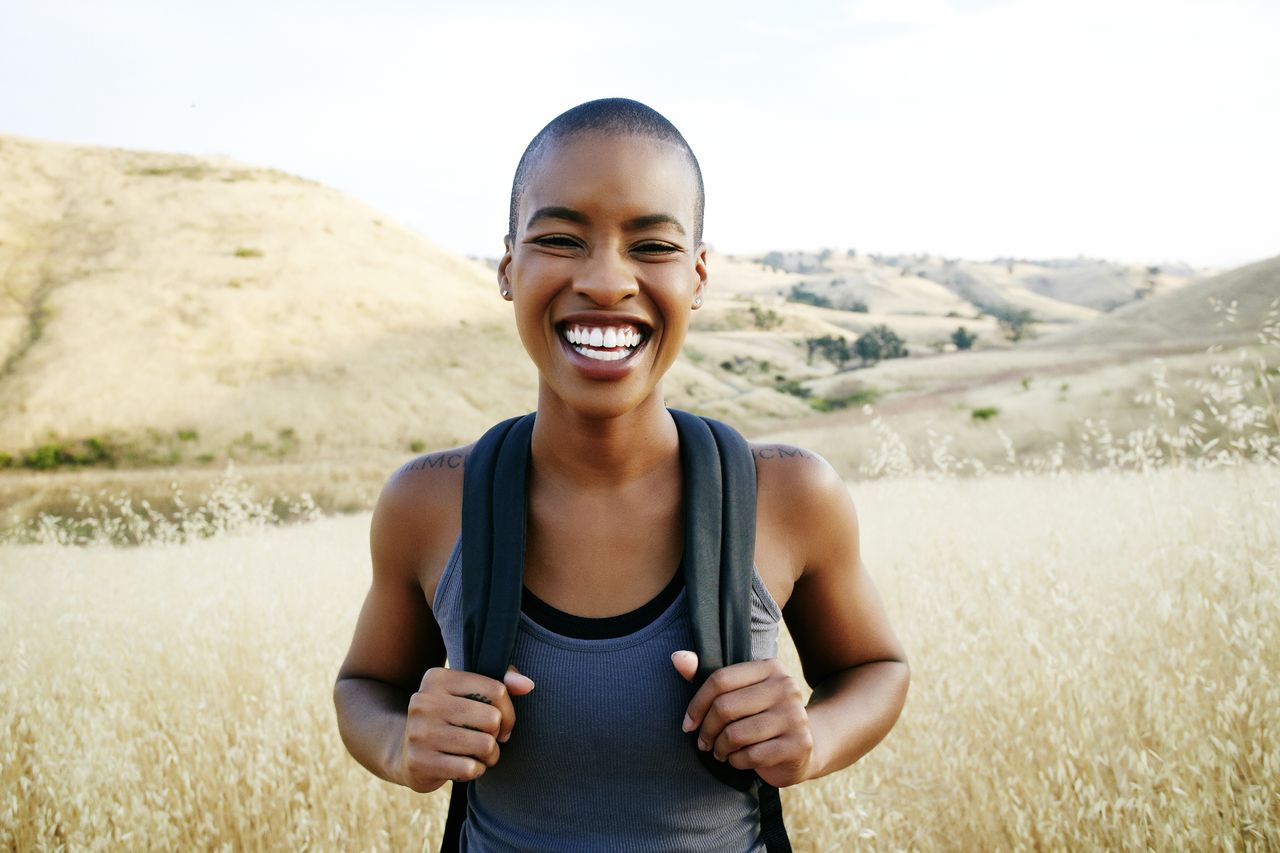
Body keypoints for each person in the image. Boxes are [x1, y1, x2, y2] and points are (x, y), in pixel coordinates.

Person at [333, 98, 909, 851]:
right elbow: (363, 687)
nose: (606, 281)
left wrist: (812, 738)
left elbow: (877, 667)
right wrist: (400, 745)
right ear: (509, 268)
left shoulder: (789, 495)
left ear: (698, 275)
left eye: (653, 245)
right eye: (561, 238)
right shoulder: (431, 501)